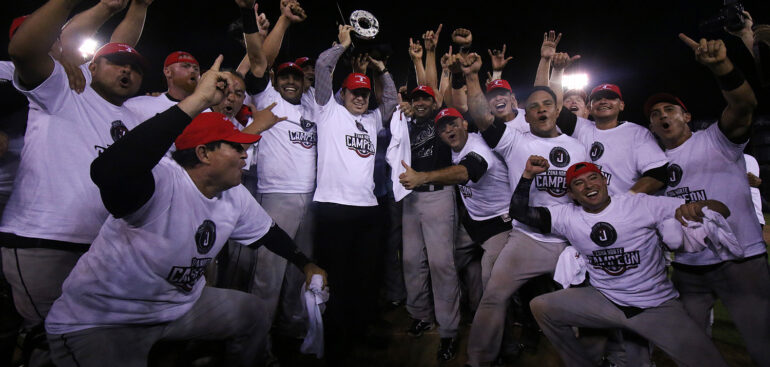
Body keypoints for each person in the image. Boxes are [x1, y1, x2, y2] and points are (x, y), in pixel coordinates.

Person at [43, 55, 326, 367]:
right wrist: (198, 100)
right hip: (105, 318)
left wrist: (307, 264)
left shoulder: (233, 194)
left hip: (180, 306)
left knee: (253, 312)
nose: (245, 154)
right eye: (235, 147)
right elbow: (106, 170)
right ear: (203, 153)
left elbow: (270, 234)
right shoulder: (163, 181)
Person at [0, 0, 147, 345]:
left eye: (135, 68)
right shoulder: (64, 87)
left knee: (90, 341)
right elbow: (24, 49)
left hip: (102, 247)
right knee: (52, 341)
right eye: (116, 64)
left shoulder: (131, 118)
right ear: (92, 66)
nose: (126, 71)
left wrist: (138, 6)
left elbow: (120, 49)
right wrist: (102, 6)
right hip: (45, 242)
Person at [511, 158, 730, 367]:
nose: (588, 185)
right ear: (571, 193)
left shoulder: (640, 204)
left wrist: (700, 207)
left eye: (593, 178)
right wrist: (528, 175)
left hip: (654, 304)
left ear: (604, 180)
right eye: (579, 183)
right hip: (605, 300)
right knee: (541, 307)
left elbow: (721, 208)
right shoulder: (567, 215)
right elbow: (519, 212)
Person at [644, 33, 770, 366]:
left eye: (669, 109)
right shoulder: (652, 166)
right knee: (690, 351)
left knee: (763, 346)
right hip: (689, 269)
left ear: (685, 116)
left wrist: (723, 68)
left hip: (740, 261)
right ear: (651, 126)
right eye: (655, 114)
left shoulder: (716, 139)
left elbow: (744, 106)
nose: (661, 115)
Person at [459, 48, 587, 366]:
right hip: (527, 239)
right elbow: (482, 116)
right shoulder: (516, 141)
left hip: (568, 239)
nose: (541, 110)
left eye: (547, 105)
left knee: (583, 308)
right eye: (534, 107)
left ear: (557, 110)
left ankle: (587, 359)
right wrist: (473, 76)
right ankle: (479, 359)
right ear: (524, 116)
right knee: (493, 296)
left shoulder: (577, 147)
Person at [311, 24, 397, 362]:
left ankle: (360, 332)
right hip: (333, 209)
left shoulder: (373, 121)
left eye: (363, 93)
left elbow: (389, 101)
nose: (360, 97)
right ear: (342, 95)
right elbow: (321, 68)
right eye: (354, 93)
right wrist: (343, 46)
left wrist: (381, 70)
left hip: (367, 209)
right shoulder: (328, 113)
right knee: (338, 279)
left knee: (366, 278)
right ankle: (336, 343)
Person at [399, 105, 512, 360]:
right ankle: (434, 316)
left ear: (465, 124)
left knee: (491, 281)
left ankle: (502, 346)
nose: (449, 129)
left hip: (499, 224)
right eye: (443, 127)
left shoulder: (477, 146)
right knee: (440, 263)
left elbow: (465, 172)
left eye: (453, 123)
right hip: (472, 223)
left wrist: (423, 178)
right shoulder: (451, 150)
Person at [395, 85, 461, 361]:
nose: (420, 102)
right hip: (411, 198)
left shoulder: (442, 123)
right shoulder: (405, 124)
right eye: (416, 98)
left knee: (441, 265)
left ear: (435, 102)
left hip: (439, 196)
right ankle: (421, 315)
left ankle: (449, 331)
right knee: (411, 261)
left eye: (426, 98)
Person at [124, 50, 200, 122]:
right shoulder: (138, 106)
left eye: (196, 69)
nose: (193, 71)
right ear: (167, 72)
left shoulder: (207, 108)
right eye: (185, 66)